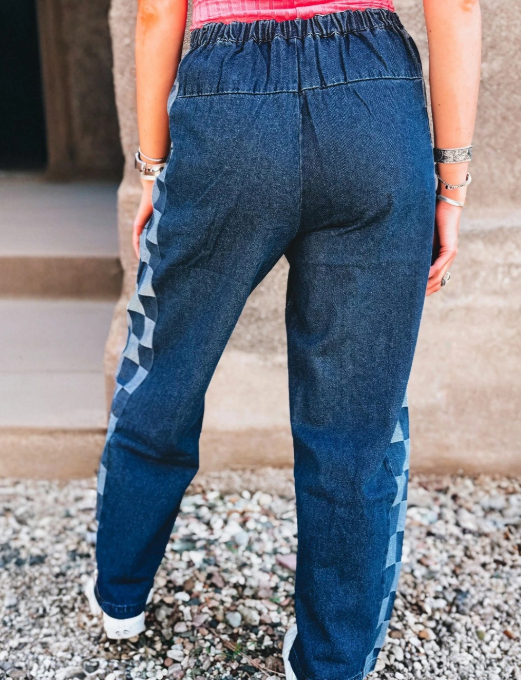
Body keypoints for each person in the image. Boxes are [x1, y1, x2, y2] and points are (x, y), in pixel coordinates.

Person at [85, 0, 481, 677]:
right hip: (374, 104)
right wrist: (452, 184)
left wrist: (152, 169)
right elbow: (459, 7)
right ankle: (335, 658)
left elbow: (155, 13)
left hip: (227, 100)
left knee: (163, 368)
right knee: (356, 423)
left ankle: (119, 596)